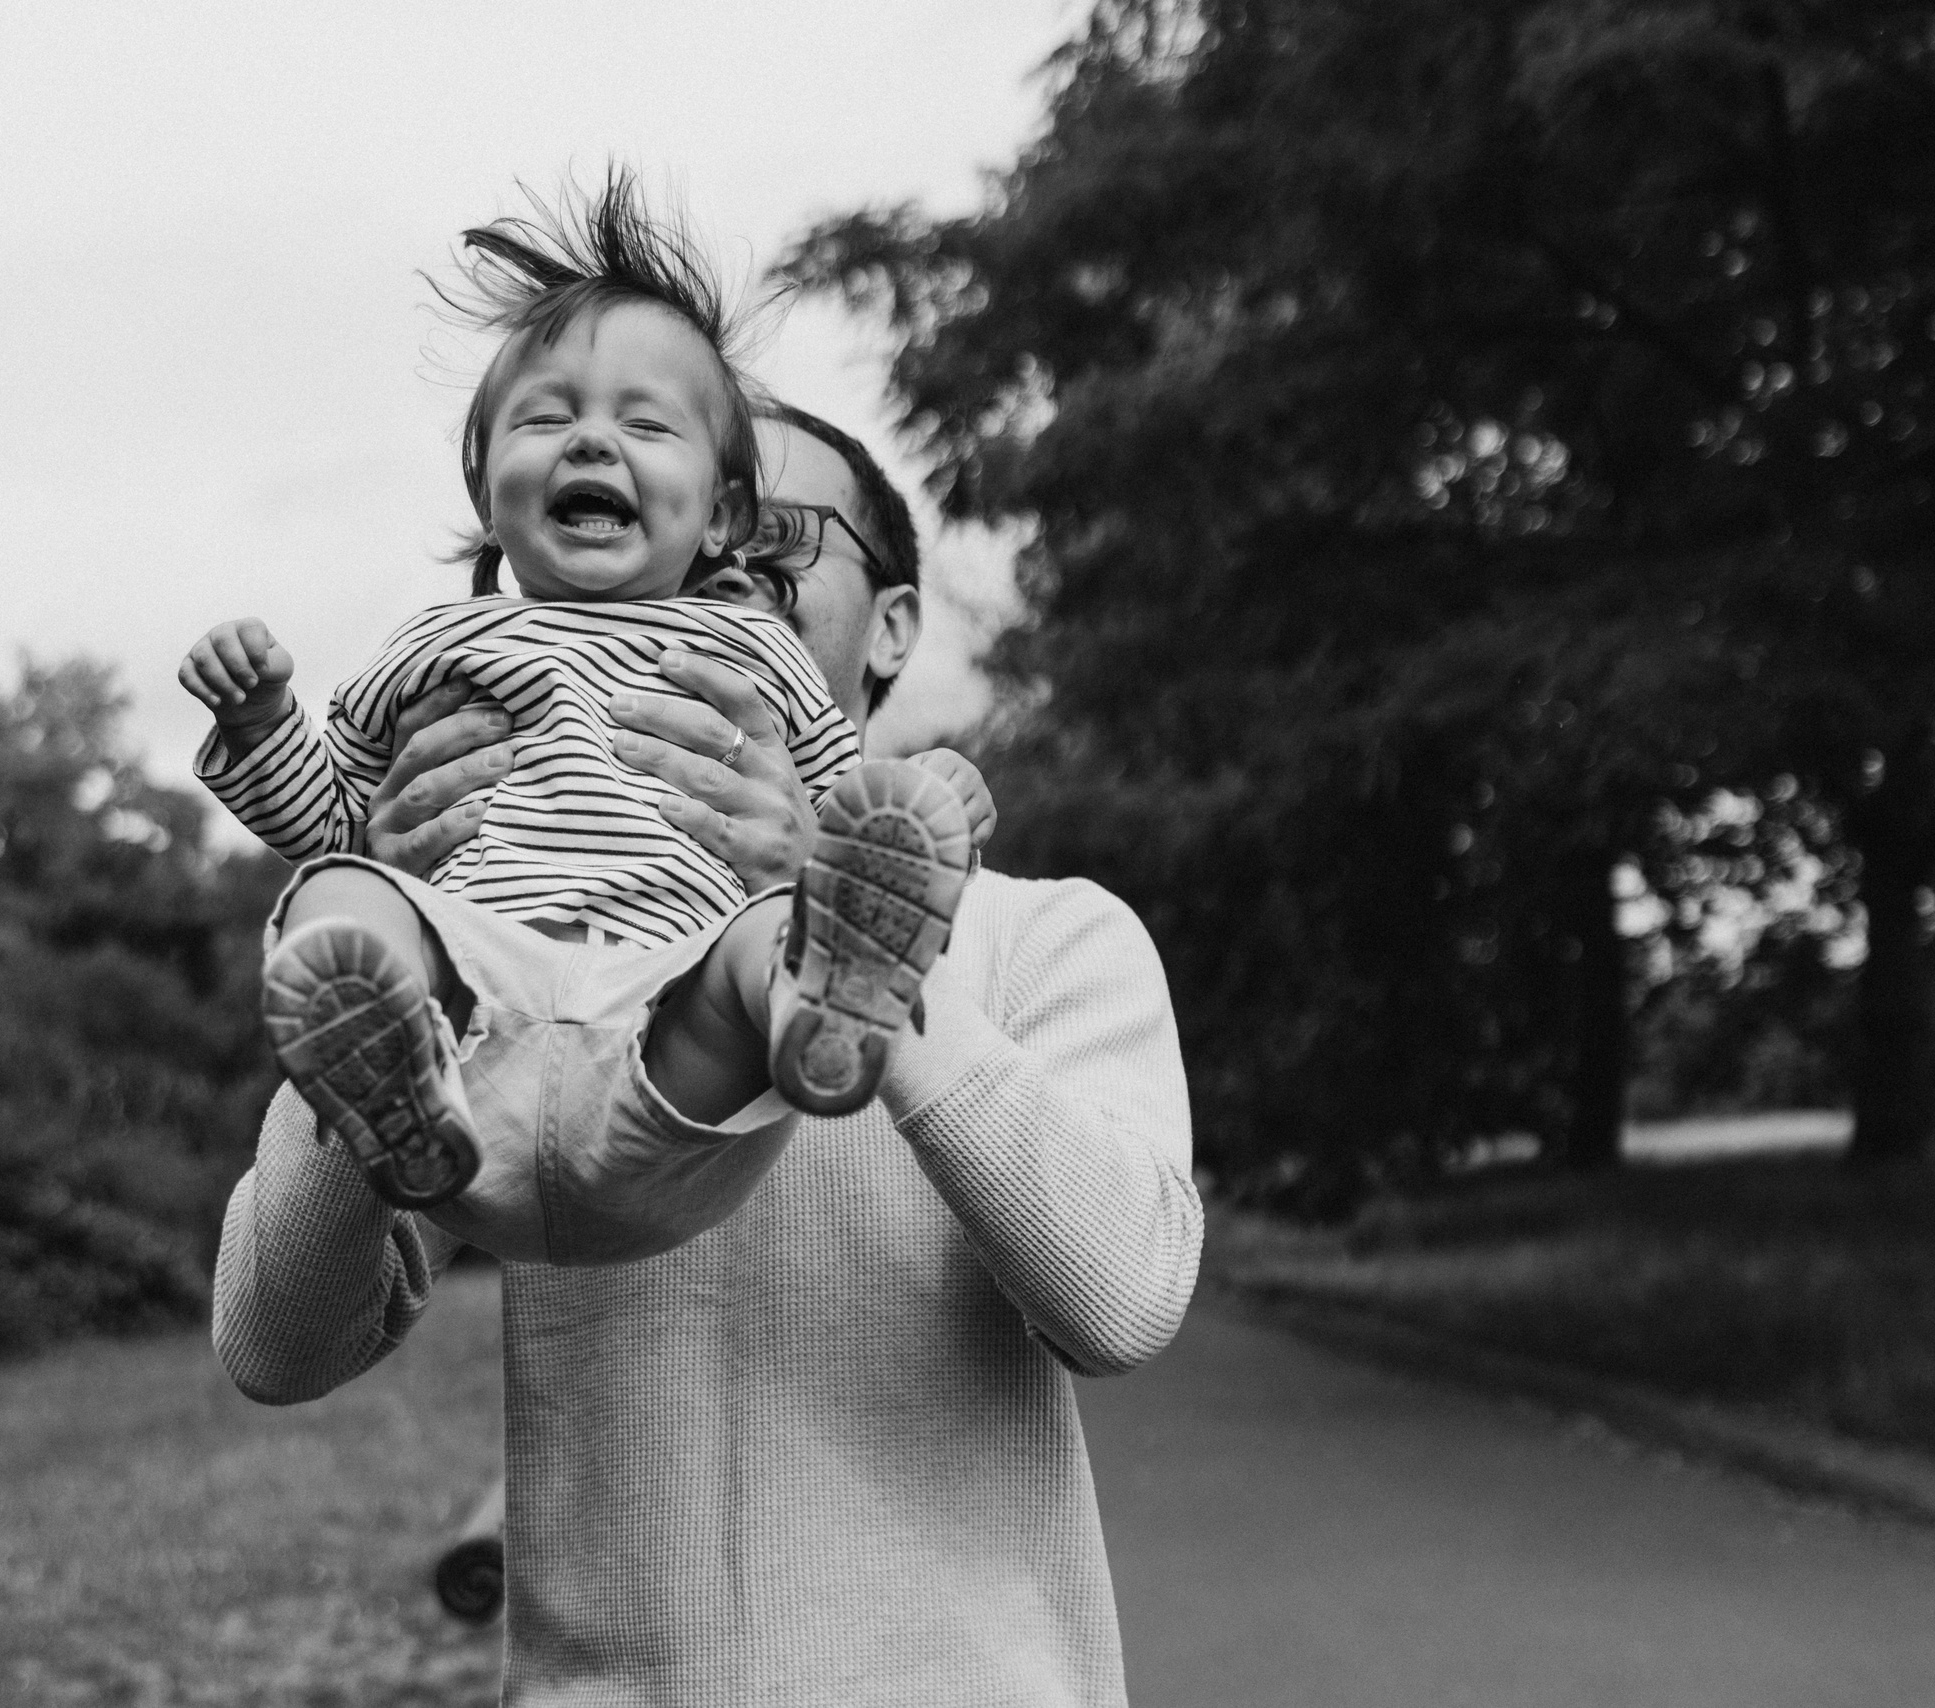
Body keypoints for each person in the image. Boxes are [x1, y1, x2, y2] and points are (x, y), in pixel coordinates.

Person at [213, 399, 1205, 1707]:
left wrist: (840, 933)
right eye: (708, 550)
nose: (726, 579)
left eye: (777, 542)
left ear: (895, 622)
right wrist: (418, 944)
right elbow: (277, 1346)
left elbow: (1123, 1298)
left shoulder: (1046, 936)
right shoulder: (534, 946)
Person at [180, 174, 977, 1265]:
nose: (591, 442)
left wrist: (931, 805)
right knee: (337, 889)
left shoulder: (757, 659)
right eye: (547, 416)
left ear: (722, 516)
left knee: (766, 934)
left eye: (644, 423)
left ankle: (814, 1019)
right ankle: (374, 1044)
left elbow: (848, 839)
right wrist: (263, 721)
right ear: (485, 492)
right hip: (464, 1051)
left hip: (671, 1044)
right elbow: (326, 821)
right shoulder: (436, 646)